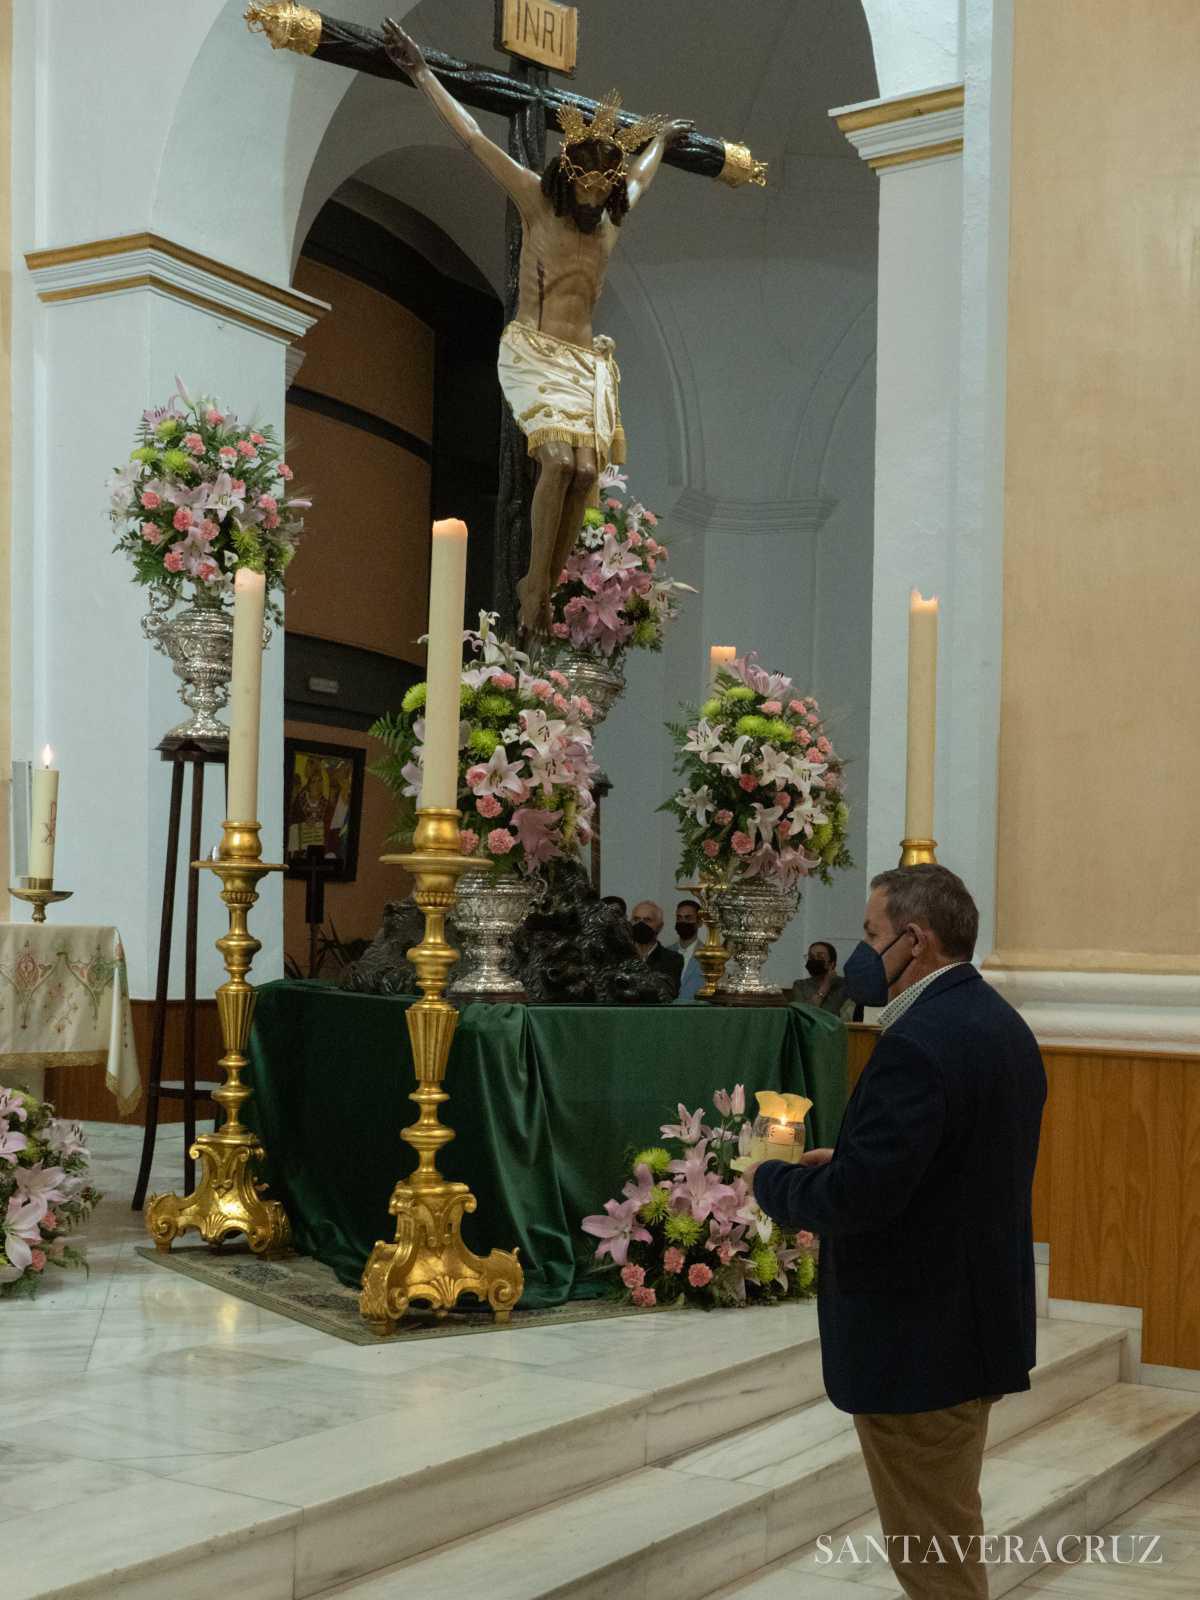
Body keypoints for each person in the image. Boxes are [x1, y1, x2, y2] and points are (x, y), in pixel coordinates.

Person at [750, 864, 1046, 1600]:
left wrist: (774, 1180)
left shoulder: (916, 1042)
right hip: (970, 1327)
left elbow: (860, 1200)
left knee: (935, 1561)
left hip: (919, 1341)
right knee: (945, 1530)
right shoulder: (999, 1024)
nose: (861, 950)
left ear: (914, 941)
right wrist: (849, 1159)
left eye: (872, 934)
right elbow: (948, 1168)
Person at [382, 18, 693, 635]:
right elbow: (473, 139)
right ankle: (531, 587)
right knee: (555, 462)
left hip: (586, 363)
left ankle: (544, 585)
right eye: (583, 189)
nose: (590, 202)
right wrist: (421, 73)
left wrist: (662, 140)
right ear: (567, 178)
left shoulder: (608, 223)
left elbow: (644, 174)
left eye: (601, 193)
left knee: (585, 472)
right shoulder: (535, 200)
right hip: (536, 352)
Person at [630, 900, 683, 998]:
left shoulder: (672, 959)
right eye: (636, 919)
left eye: (647, 920)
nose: (640, 924)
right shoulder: (619, 956)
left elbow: (668, 992)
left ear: (660, 926)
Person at [791, 940, 854, 1019]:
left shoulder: (845, 985)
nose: (814, 960)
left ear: (831, 964)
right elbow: (804, 1014)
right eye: (811, 957)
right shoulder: (800, 985)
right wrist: (825, 985)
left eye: (820, 956)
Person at [670, 898, 707, 1002]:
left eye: (688, 918)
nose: (683, 922)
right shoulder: (665, 952)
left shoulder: (707, 957)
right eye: (679, 918)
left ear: (699, 922)